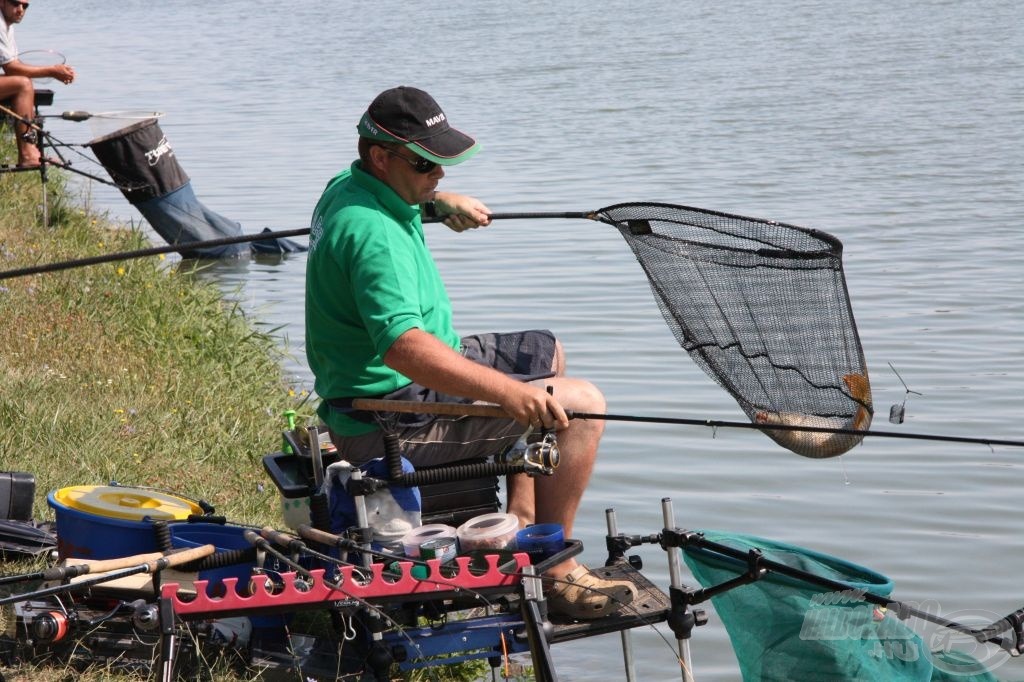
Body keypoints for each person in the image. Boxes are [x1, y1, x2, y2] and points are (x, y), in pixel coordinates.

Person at [305, 86, 637, 620]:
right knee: (581, 408)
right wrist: (508, 395)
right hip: (384, 414)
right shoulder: (372, 234)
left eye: (442, 162)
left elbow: (401, 202)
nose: (438, 173)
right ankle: (554, 573)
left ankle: (525, 522)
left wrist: (435, 204)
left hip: (390, 379)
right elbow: (404, 349)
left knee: (546, 353)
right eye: (425, 165)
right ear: (381, 157)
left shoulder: (350, 186)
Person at [0, 0, 75, 167]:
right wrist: (51, 71)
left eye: (25, 6)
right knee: (22, 85)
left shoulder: (7, 25)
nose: (20, 10)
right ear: (2, 2)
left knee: (23, 84)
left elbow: (13, 64)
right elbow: (12, 69)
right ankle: (28, 156)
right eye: (15, 4)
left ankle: (31, 148)